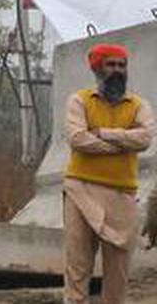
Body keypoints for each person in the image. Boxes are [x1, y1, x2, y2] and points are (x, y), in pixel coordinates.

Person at [63, 43, 154, 304]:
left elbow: (145, 139)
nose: (117, 71)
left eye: (121, 65)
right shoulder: (79, 100)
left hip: (122, 194)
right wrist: (123, 143)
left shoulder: (138, 105)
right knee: (78, 267)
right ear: (97, 68)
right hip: (80, 189)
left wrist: (103, 133)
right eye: (110, 65)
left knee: (118, 273)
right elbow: (78, 139)